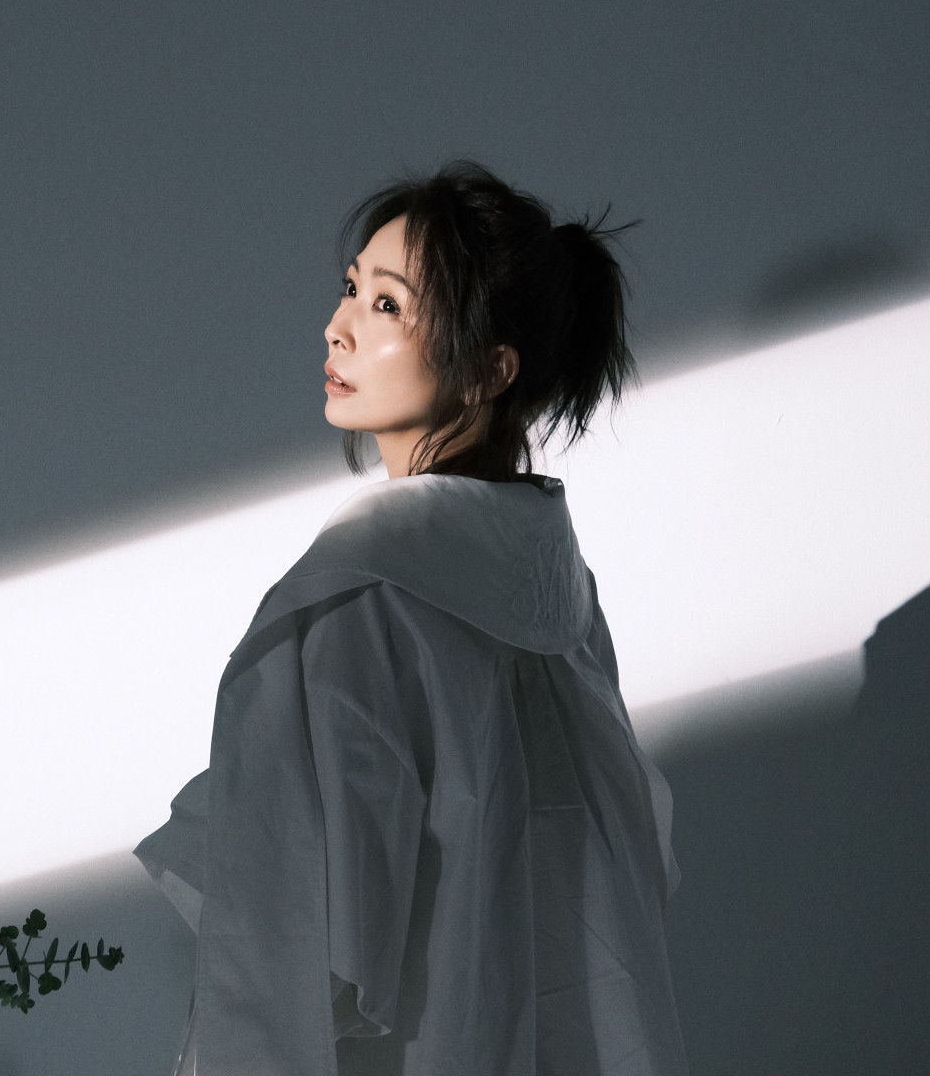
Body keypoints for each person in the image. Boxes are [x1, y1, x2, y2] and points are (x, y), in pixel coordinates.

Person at [135, 162, 688, 1076]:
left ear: (490, 369)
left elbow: (290, 950)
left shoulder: (356, 596)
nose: (339, 325)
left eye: (387, 305)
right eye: (351, 288)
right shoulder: (560, 592)